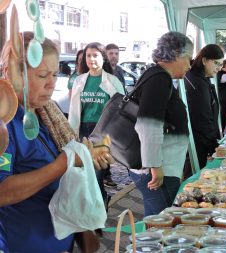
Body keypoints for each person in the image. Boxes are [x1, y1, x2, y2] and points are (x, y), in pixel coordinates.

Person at [0, 32, 112, 252]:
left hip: (60, 242)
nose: (51, 84)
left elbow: (63, 181)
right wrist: (64, 162)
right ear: (13, 73)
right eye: (42, 75)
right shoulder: (6, 122)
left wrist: (83, 231)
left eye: (54, 74)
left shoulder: (46, 114)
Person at [129, 31, 193, 216]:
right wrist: (155, 166)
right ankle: (141, 246)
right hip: (156, 169)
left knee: (157, 222)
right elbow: (148, 125)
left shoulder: (156, 75)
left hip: (159, 166)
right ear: (177, 54)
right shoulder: (159, 78)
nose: (190, 64)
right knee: (160, 225)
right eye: (188, 58)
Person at [69, 42, 125, 199]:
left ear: (103, 57)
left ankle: (100, 208)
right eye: (88, 55)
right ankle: (94, 207)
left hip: (103, 133)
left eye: (95, 55)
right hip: (83, 131)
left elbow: (122, 108)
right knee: (84, 173)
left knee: (96, 174)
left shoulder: (113, 81)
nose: (91, 59)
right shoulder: (79, 80)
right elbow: (74, 111)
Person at [185, 44, 224, 169]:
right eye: (216, 63)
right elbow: (203, 117)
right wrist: (213, 145)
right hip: (195, 142)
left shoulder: (202, 78)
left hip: (200, 139)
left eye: (221, 65)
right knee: (192, 175)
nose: (219, 68)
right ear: (204, 60)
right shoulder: (197, 81)